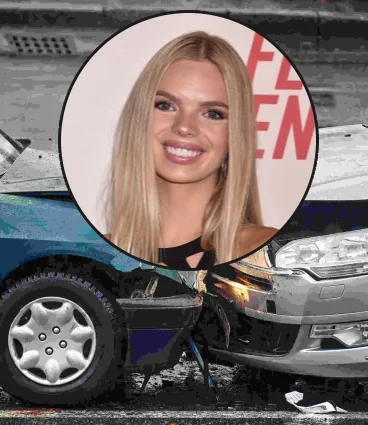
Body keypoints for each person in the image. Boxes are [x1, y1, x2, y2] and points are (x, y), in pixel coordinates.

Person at [105, 31, 277, 269]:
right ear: (140, 119)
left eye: (213, 113)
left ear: (235, 135)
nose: (184, 127)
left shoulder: (267, 251)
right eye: (165, 105)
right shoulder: (95, 253)